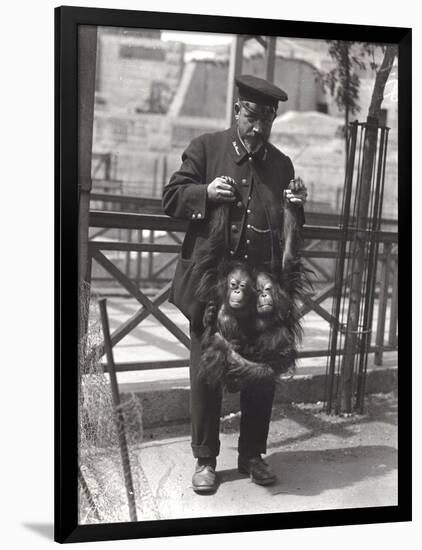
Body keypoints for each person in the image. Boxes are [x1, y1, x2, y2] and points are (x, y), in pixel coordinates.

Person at [162, 74, 307, 494]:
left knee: (261, 374)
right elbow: (171, 197)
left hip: (260, 293)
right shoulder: (206, 148)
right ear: (237, 111)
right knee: (207, 373)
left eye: (266, 120)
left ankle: (252, 456)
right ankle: (205, 460)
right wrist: (204, 191)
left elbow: (289, 230)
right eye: (251, 116)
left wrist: (296, 209)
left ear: (273, 120)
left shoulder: (282, 165)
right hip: (210, 290)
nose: (258, 127)